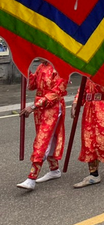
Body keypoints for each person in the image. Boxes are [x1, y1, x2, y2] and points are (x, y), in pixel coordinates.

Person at [17, 59, 67, 191]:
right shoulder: (40, 66)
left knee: (43, 140)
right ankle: (54, 169)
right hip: (40, 109)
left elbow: (56, 93)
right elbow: (33, 86)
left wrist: (34, 106)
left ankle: (31, 178)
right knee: (47, 138)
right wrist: (26, 70)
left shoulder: (60, 67)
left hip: (53, 108)